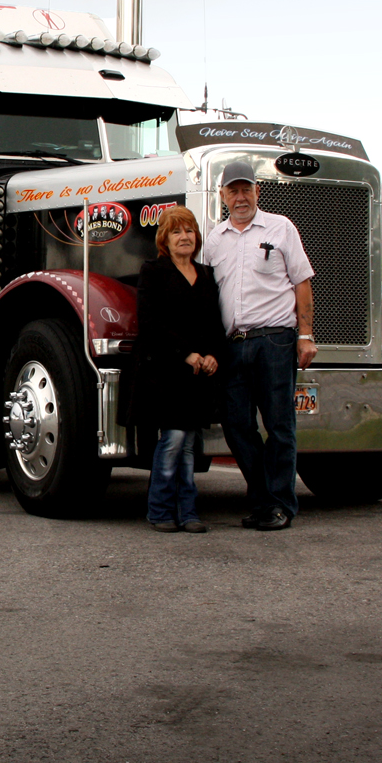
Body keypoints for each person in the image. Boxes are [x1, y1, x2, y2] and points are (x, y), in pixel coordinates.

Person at [202, 160, 317, 531]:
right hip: (232, 345)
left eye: (246, 189)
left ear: (257, 191)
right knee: (236, 426)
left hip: (275, 340)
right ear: (223, 196)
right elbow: (206, 293)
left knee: (280, 425)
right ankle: (265, 499)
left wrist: (305, 335)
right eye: (233, 191)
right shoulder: (214, 240)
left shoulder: (281, 228)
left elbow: (302, 282)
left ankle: (279, 505)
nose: (240, 197)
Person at [130, 206, 226, 533]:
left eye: (189, 231)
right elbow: (150, 322)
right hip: (165, 371)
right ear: (165, 239)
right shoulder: (153, 271)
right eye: (176, 231)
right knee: (173, 439)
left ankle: (188, 513)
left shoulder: (207, 275)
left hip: (198, 375)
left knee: (188, 444)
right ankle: (159, 511)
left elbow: (216, 323)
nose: (184, 237)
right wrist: (186, 354)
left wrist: (213, 355)